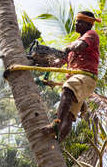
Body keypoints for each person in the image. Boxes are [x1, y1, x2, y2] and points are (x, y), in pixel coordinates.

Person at [41, 11, 101, 142]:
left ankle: (55, 125)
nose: (76, 24)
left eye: (79, 22)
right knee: (69, 115)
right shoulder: (72, 45)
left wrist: (68, 48)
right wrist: (49, 62)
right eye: (76, 21)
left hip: (86, 77)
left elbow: (80, 46)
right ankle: (58, 141)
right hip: (79, 81)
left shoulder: (91, 35)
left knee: (67, 90)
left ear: (88, 24)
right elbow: (58, 63)